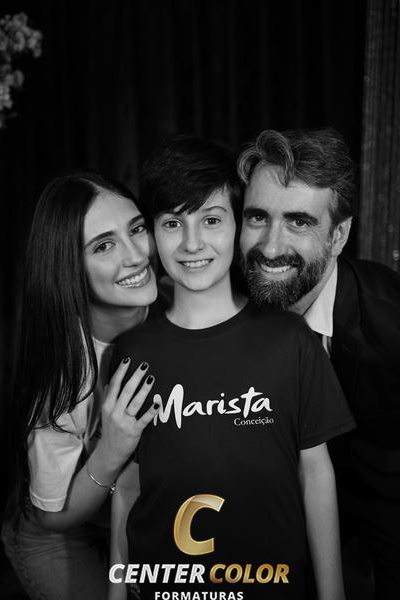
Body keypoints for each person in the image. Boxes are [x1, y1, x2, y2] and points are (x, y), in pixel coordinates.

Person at [109, 135, 355, 600]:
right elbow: (127, 487)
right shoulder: (133, 352)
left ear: (239, 226)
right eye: (172, 223)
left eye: (212, 220)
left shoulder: (290, 341)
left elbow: (316, 475)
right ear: (152, 234)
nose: (192, 243)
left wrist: (333, 593)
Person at [238, 128, 400, 600]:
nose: (270, 247)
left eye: (299, 222)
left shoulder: (390, 321)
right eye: (257, 217)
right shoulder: (217, 299)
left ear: (339, 235)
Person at [1, 172, 163, 600]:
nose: (136, 256)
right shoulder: (63, 374)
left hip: (132, 514)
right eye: (103, 246)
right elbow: (52, 516)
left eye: (137, 229)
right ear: (68, 267)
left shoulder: (178, 302)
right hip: (58, 532)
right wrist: (112, 450)